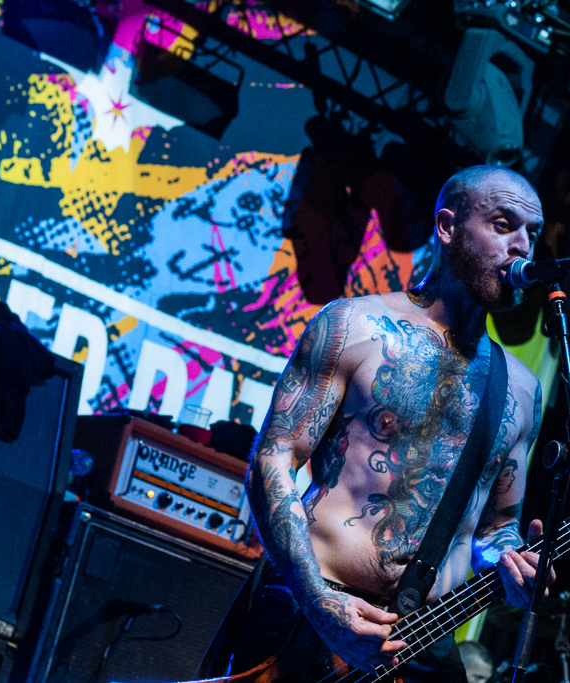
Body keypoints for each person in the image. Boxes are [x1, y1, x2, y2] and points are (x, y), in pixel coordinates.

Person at [226, 165, 551, 682]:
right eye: (503, 224)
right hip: (312, 614)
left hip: (425, 638)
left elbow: (496, 527)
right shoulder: (353, 324)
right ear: (447, 227)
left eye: (532, 233)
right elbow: (274, 460)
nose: (522, 246)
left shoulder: (521, 388)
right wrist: (315, 599)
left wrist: (511, 562)